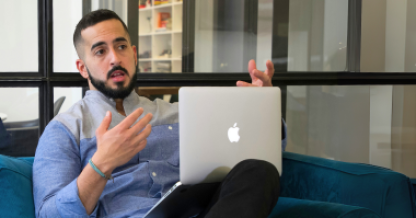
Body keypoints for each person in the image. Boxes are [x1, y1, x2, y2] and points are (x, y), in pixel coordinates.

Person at [33, 9, 285, 218]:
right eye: (100, 51)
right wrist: (101, 165)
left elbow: (260, 149)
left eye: (121, 47)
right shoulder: (64, 129)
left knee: (259, 170)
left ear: (133, 55)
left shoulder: (183, 113)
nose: (114, 59)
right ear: (83, 68)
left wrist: (261, 108)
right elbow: (49, 214)